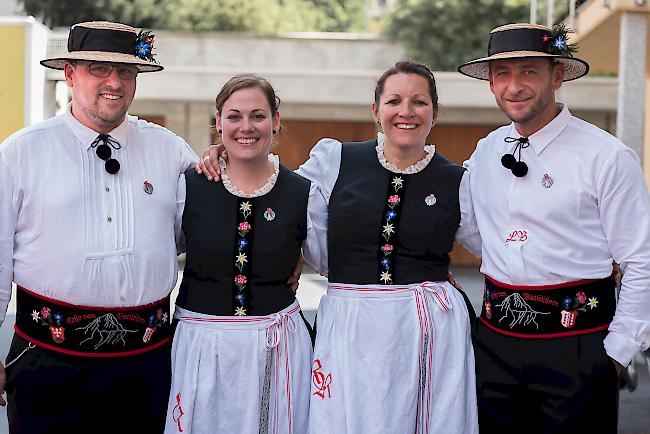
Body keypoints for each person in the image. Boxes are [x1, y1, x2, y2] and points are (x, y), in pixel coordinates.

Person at [197, 60, 482, 434]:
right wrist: (227, 153)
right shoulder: (336, 161)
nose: (406, 112)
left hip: (427, 329)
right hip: (350, 320)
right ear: (376, 111)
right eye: (394, 100)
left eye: (420, 102)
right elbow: (278, 198)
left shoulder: (457, 180)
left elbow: (493, 249)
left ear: (436, 112)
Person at [0, 21, 198, 433]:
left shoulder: (171, 151)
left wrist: (280, 259)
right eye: (98, 68)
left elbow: (208, 231)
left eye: (126, 71)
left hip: (146, 365)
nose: (114, 82)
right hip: (45, 364)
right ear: (70, 75)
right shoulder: (20, 154)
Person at [457, 23, 650, 434]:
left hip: (578, 350)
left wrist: (616, 355)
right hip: (493, 345)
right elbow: (470, 228)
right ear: (491, 82)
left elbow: (641, 260)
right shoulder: (487, 150)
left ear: (557, 76)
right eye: (503, 73)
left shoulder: (607, 157)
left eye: (529, 71)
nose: (514, 86)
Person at [164, 74, 326, 434]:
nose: (246, 126)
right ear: (218, 122)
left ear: (276, 121)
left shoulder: (302, 192)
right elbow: (155, 254)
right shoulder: (188, 185)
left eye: (258, 115)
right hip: (201, 345)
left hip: (278, 346)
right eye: (234, 116)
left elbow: (336, 261)